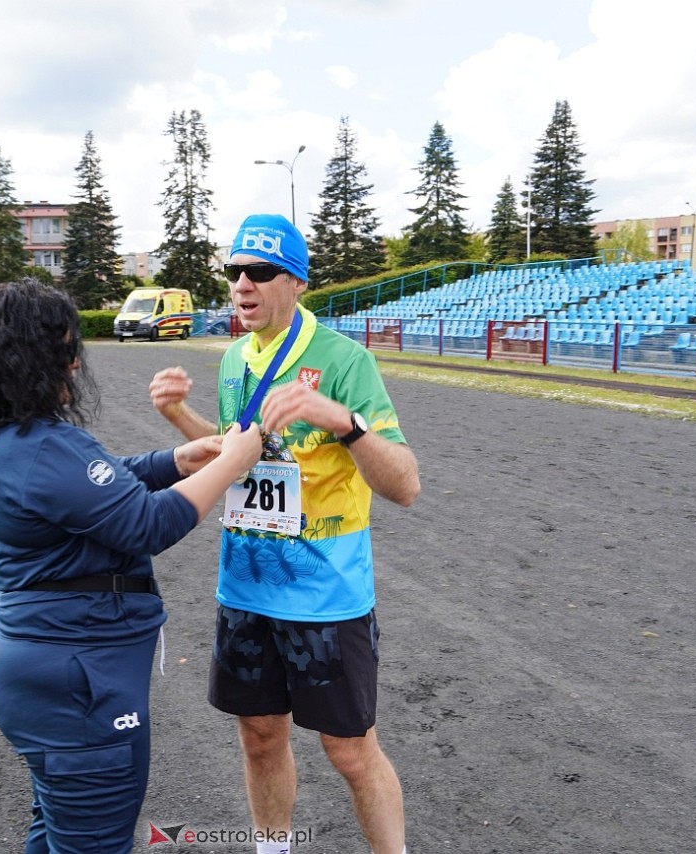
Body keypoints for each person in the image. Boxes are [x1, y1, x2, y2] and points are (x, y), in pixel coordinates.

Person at [0, 279, 261, 853]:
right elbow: (146, 525)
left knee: (57, 831)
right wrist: (232, 462)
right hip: (79, 687)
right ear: (28, 359)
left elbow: (97, 491)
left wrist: (177, 458)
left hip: (46, 674)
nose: (75, 362)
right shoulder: (37, 448)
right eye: (65, 350)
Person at [149, 214, 421, 854]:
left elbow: (406, 485)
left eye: (260, 272)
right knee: (260, 736)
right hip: (246, 588)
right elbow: (235, 457)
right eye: (234, 272)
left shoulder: (344, 361)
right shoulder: (234, 361)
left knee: (351, 753)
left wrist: (345, 423)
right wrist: (177, 415)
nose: (243, 284)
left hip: (326, 595)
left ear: (295, 282)